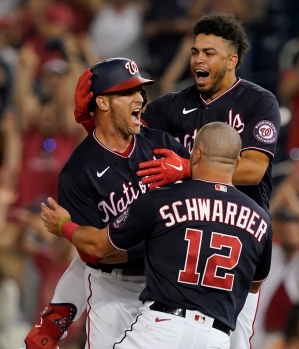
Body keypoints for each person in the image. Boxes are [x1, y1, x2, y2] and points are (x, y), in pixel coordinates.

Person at [73, 12, 281, 348]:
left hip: (237, 238)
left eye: (209, 53)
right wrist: (97, 112)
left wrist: (184, 169)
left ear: (232, 60)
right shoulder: (172, 106)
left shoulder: (258, 101)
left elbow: (254, 169)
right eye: (195, 51)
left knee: (237, 340)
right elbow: (126, 140)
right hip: (181, 239)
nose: (198, 59)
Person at [40, 122, 273, 349]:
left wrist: (63, 226)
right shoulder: (261, 219)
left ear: (196, 155)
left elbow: (98, 247)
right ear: (238, 162)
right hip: (217, 337)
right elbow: (254, 285)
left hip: (163, 328)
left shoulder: (164, 199)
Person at [23, 57, 190, 349]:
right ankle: (53, 319)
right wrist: (158, 245)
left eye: (140, 91)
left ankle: (54, 318)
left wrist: (190, 169)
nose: (140, 98)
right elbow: (94, 255)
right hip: (115, 289)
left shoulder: (162, 144)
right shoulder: (78, 171)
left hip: (168, 286)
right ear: (102, 103)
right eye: (128, 92)